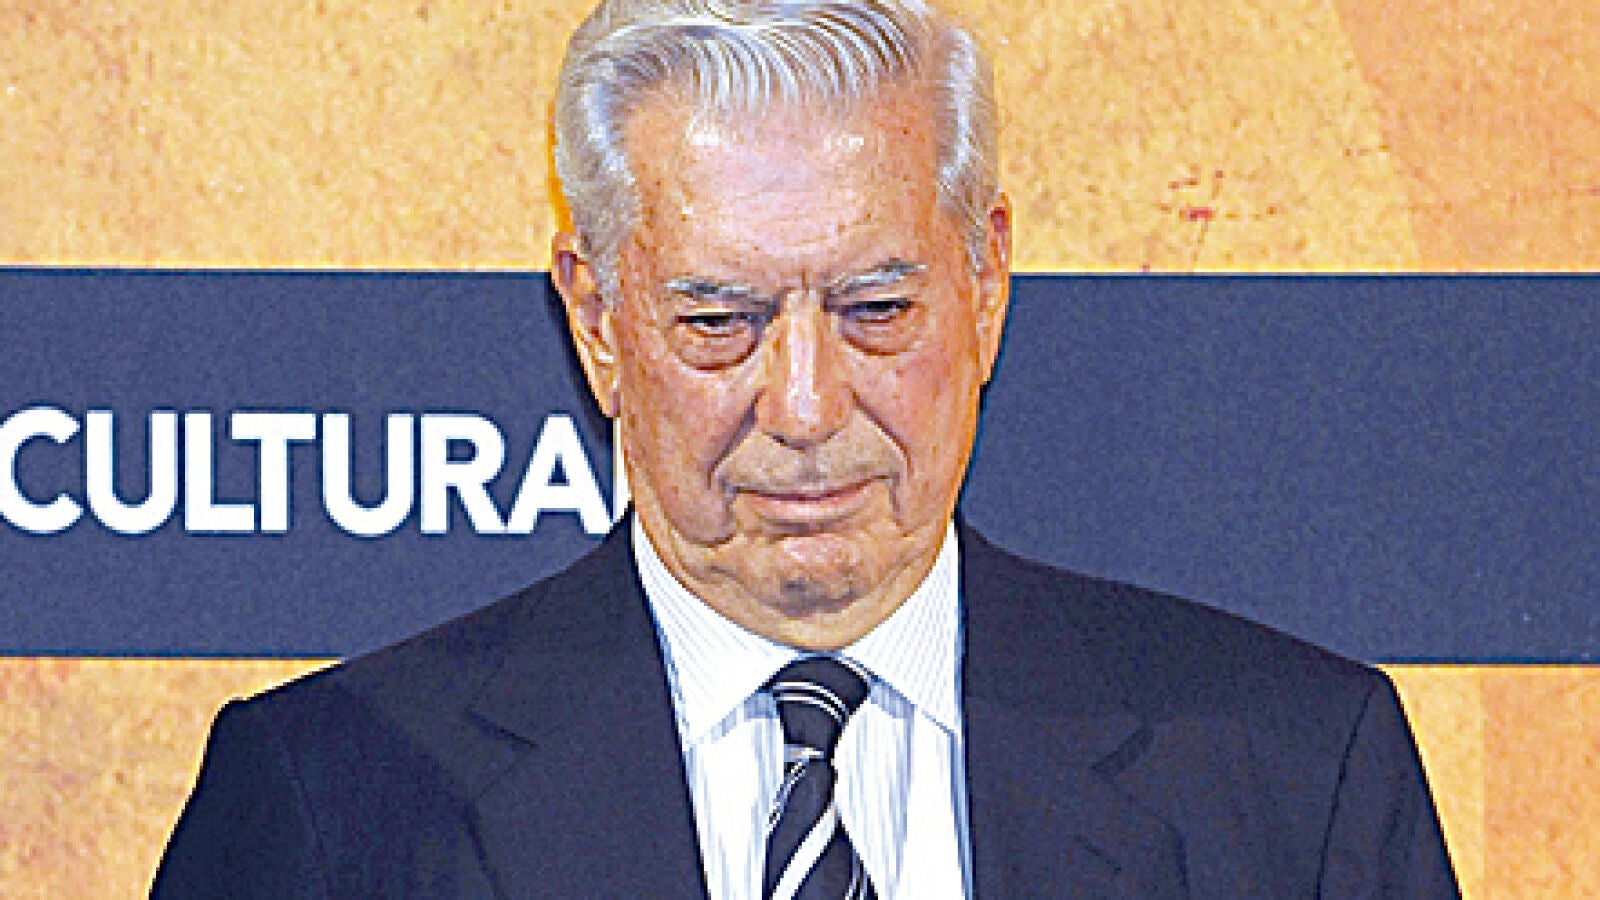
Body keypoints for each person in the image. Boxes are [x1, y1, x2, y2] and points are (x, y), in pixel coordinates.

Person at [154, 0, 1459, 896]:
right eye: (718, 322)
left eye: (876, 310)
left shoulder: (1297, 781)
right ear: (597, 318)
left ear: (987, 284)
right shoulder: (333, 811)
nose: (805, 405)